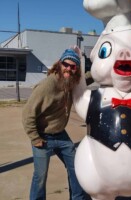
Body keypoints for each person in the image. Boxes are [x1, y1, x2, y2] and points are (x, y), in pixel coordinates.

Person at [22, 47, 86, 200]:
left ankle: (78, 198)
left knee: (76, 167)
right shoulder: (47, 85)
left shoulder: (69, 81)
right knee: (40, 175)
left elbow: (86, 78)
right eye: (66, 64)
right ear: (59, 63)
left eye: (73, 66)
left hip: (61, 135)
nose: (68, 69)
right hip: (43, 137)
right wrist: (35, 137)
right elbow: (27, 113)